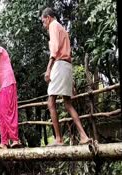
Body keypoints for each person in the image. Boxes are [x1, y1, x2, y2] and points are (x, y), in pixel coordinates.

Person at [41, 7, 92, 146]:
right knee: (67, 103)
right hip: (67, 66)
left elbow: (55, 49)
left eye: (43, 21)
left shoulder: (53, 25)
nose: (43, 24)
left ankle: (58, 139)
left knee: (50, 102)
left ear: (48, 17)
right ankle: (83, 135)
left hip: (59, 64)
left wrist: (48, 69)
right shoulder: (62, 29)